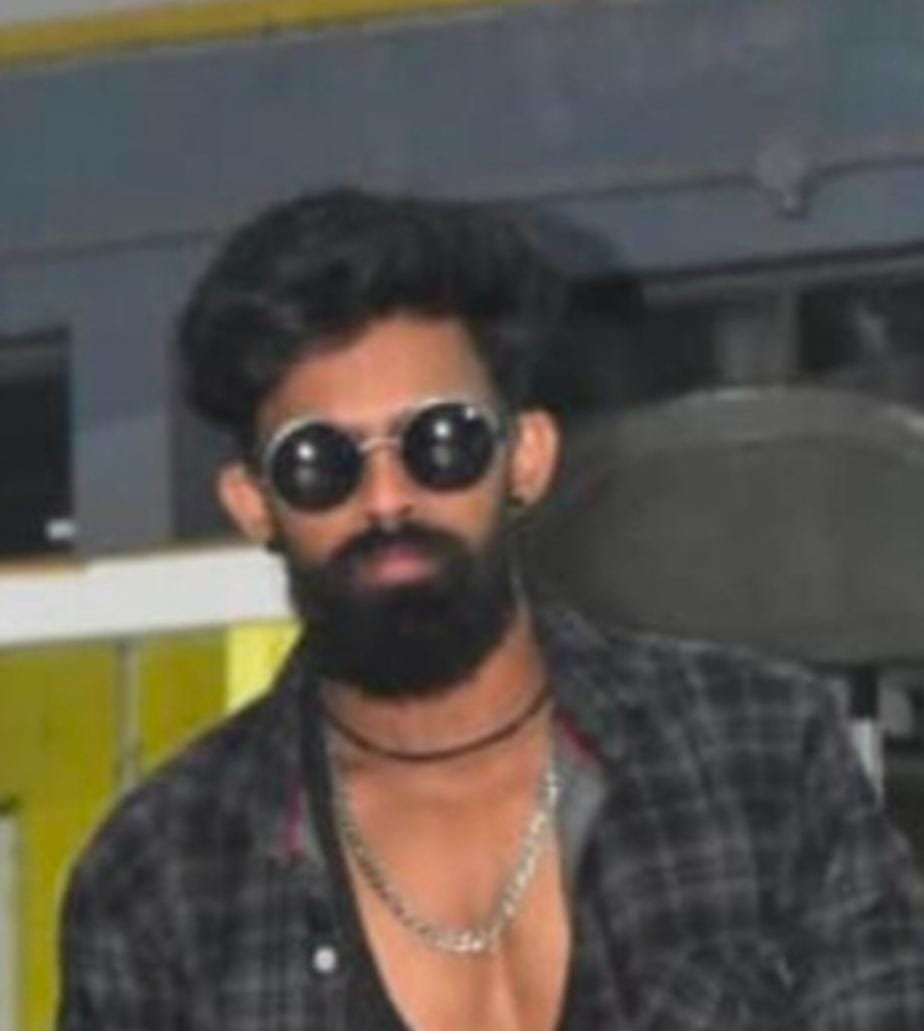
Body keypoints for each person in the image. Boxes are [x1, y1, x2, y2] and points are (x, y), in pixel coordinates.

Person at [58, 189, 924, 1030]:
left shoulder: (758, 754)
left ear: (527, 458)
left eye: (443, 441)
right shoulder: (164, 874)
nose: (387, 499)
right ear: (253, 503)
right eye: (320, 461)